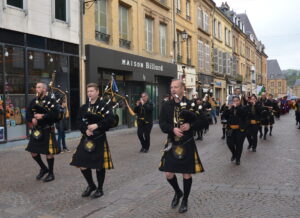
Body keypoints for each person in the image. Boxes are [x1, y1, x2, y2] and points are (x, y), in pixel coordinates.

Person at [159, 79, 204, 213]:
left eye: (176, 87)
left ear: (183, 89)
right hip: (172, 142)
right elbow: (162, 124)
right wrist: (172, 129)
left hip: (187, 142)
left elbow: (203, 121)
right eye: (171, 87)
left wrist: (190, 126)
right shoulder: (166, 105)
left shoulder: (191, 104)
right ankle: (178, 192)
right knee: (168, 173)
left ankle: (185, 200)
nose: (173, 89)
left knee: (186, 174)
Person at [70, 83, 115, 199]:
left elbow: (111, 120)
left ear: (97, 92)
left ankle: (100, 189)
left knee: (99, 166)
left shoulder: (104, 106)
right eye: (88, 91)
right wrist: (85, 130)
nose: (89, 93)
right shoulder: (84, 107)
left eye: (91, 91)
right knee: (80, 163)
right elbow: (78, 121)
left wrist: (97, 125)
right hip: (86, 138)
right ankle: (91, 185)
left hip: (99, 138)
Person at [25, 82, 61, 182]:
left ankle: (51, 173)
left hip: (47, 129)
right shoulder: (33, 101)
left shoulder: (51, 100)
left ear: (44, 89)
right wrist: (32, 119)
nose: (37, 89)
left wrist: (43, 116)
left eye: (39, 87)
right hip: (37, 130)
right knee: (32, 151)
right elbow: (28, 113)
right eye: (36, 87)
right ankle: (44, 168)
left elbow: (56, 114)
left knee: (48, 152)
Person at [223, 96, 248, 165]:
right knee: (229, 143)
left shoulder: (243, 107)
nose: (235, 102)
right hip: (231, 129)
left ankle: (238, 159)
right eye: (234, 101)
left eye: (237, 100)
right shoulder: (231, 108)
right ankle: (234, 154)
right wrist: (228, 109)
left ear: (239, 101)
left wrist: (236, 107)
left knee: (239, 145)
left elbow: (243, 114)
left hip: (240, 130)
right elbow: (224, 116)